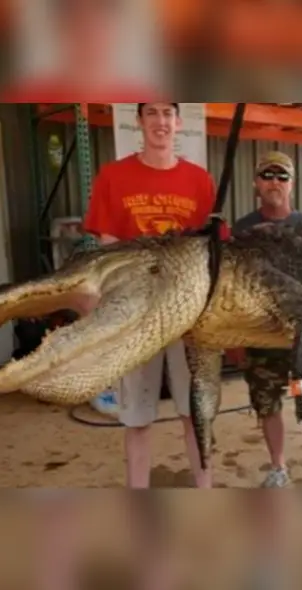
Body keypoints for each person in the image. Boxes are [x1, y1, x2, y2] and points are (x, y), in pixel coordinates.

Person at [82, 101, 227, 489]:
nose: (161, 122)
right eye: (152, 114)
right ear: (140, 122)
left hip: (186, 316)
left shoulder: (201, 181)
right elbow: (107, 247)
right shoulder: (113, 177)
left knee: (194, 414)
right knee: (136, 417)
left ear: (178, 123)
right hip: (137, 314)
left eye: (167, 113)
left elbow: (212, 252)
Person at [232, 151, 302, 489]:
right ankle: (278, 468)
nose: (274, 182)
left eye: (282, 176)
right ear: (256, 183)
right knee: (268, 403)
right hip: (261, 338)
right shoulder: (242, 228)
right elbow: (232, 287)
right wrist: (234, 339)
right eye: (267, 175)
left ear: (292, 184)